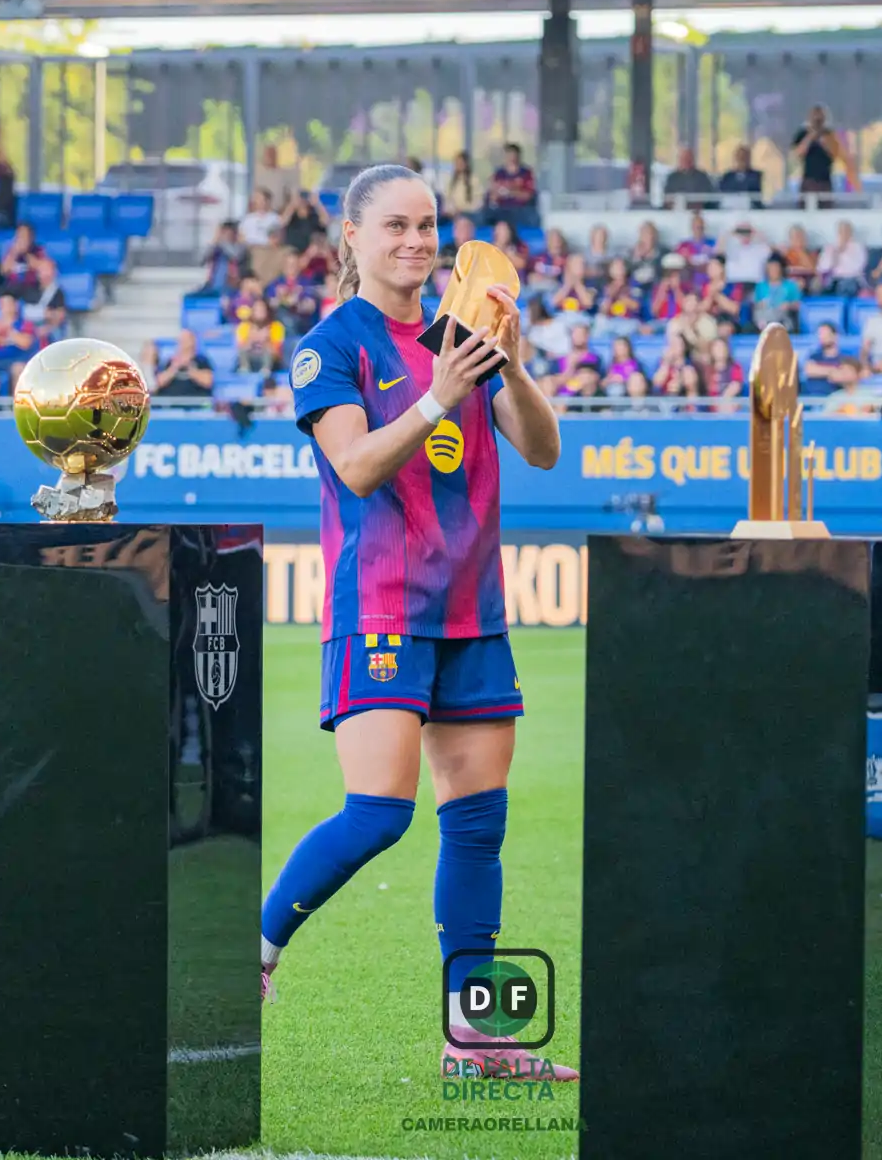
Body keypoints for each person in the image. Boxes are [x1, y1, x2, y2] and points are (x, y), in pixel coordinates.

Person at [265, 163, 568, 1082]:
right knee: (380, 815)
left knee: (478, 826)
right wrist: (439, 393)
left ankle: (474, 1039)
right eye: (395, 225)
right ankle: (257, 944)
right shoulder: (330, 345)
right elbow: (355, 466)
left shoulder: (464, 334)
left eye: (428, 225)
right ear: (351, 238)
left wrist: (504, 360)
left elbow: (545, 452)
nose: (415, 241)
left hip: (473, 606)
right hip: (384, 607)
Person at [790, 106, 852, 195]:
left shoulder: (830, 134)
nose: (817, 119)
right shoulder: (803, 133)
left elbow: (836, 154)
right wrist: (810, 137)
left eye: (820, 116)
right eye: (815, 116)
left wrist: (825, 142)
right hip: (809, 180)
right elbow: (798, 153)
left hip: (825, 181)